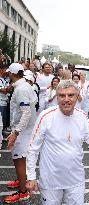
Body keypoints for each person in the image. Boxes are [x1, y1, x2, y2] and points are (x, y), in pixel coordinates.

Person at [25, 80, 89, 204]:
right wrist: (31, 177)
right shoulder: (46, 116)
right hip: (50, 182)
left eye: (71, 95)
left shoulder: (82, 116)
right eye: (62, 95)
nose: (66, 99)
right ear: (57, 97)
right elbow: (33, 148)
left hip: (75, 180)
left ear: (77, 96)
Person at [4, 63, 37, 203]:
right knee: (20, 159)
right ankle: (21, 180)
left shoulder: (21, 89)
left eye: (9, 73)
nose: (8, 75)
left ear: (12, 74)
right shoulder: (23, 86)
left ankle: (23, 192)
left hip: (23, 131)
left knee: (19, 159)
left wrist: (16, 132)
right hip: (25, 129)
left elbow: (26, 113)